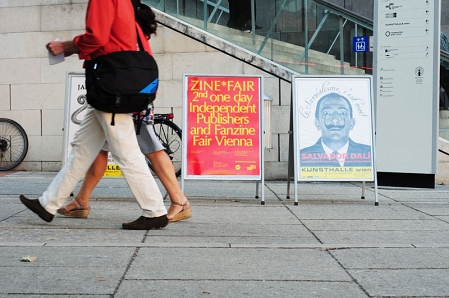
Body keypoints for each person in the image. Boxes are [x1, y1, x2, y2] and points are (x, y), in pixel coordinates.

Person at [20, 0, 168, 230]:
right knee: (82, 148)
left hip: (110, 87)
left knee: (125, 151)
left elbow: (97, 37)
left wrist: (68, 46)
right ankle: (48, 204)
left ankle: (155, 210)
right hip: (112, 86)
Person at [58, 120, 191, 222]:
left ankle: (180, 201)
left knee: (152, 148)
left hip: (129, 101)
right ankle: (81, 200)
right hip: (114, 102)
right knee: (100, 148)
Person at [300, 92, 372, 167]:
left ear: (352, 123)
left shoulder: (368, 154)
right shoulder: (301, 158)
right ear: (317, 123)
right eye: (327, 113)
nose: (335, 120)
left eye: (342, 113)